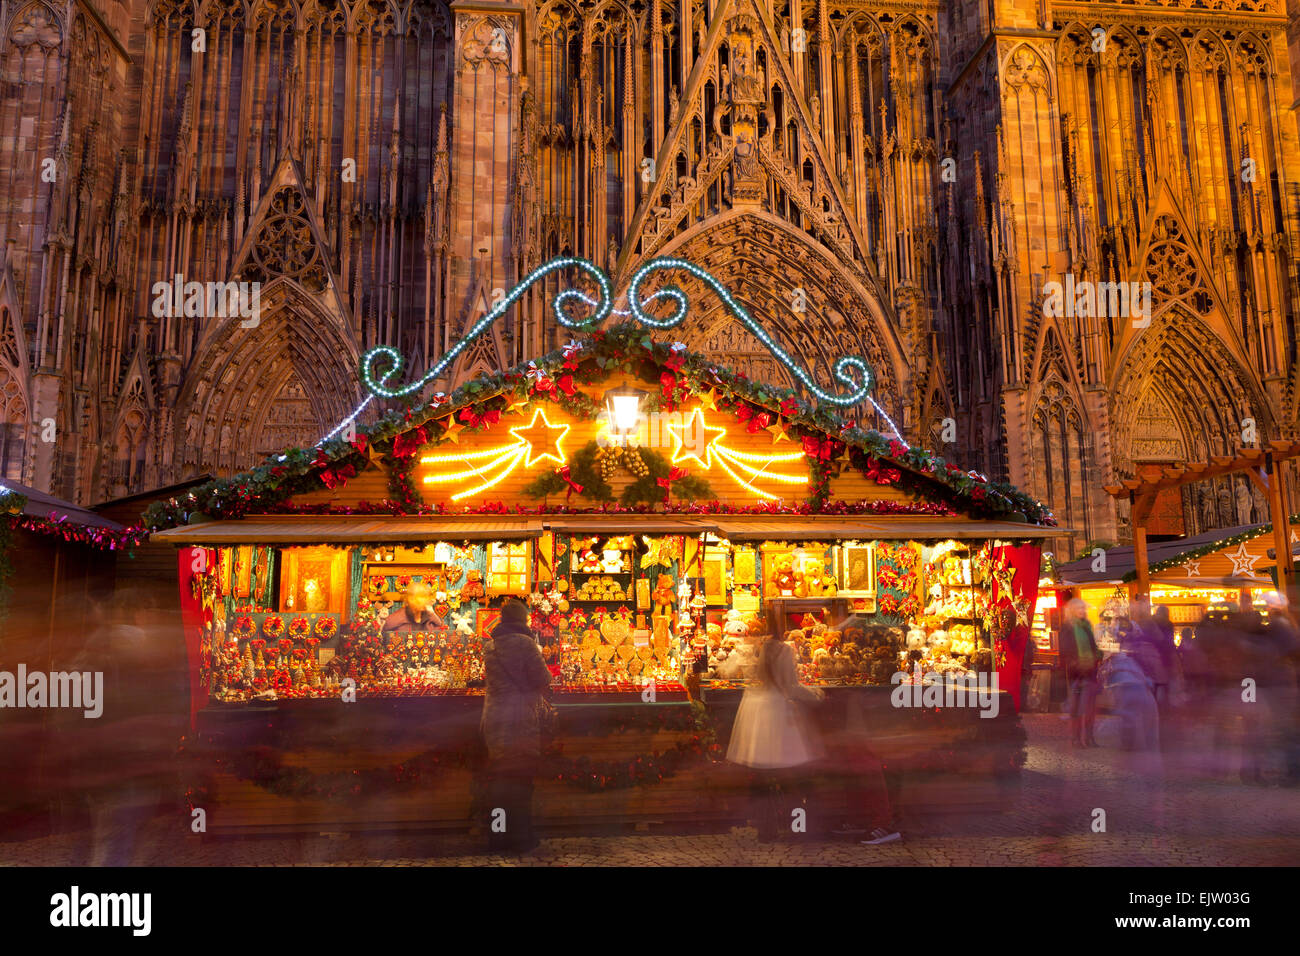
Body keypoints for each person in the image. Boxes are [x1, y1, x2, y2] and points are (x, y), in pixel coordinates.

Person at [727, 633, 825, 843]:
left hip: (761, 717)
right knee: (791, 780)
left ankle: (766, 829)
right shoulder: (783, 651)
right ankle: (796, 828)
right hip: (780, 720)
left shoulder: (764, 654)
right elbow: (792, 686)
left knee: (763, 782)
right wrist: (816, 694)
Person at [480, 598, 553, 853]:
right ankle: (521, 838)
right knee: (521, 783)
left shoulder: (491, 646)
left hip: (495, 720)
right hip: (520, 720)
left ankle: (497, 837)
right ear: (523, 619)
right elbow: (544, 679)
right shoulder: (526, 644)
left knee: (500, 783)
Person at [1057, 598, 1101, 748]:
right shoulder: (1068, 627)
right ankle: (1076, 738)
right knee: (1076, 706)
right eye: (1079, 608)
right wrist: (1075, 663)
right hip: (1076, 672)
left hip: (1090, 671)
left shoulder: (1087, 626)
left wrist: (1098, 655)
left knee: (1090, 706)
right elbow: (1065, 650)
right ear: (1072, 611)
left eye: (1084, 608)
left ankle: (1089, 736)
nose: (1083, 611)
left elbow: (1093, 646)